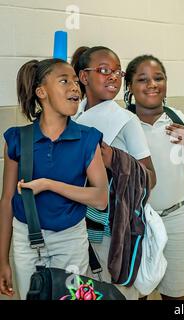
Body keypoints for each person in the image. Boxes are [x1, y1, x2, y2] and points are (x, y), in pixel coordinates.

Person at [0, 59, 108, 299]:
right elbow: (7, 199)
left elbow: (100, 198)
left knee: (71, 297)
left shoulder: (87, 139)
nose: (74, 87)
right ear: (41, 92)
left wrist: (48, 184)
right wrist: (2, 260)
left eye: (75, 81)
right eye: (64, 81)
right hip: (26, 237)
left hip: (70, 239)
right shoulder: (17, 139)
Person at [71, 46, 156, 300]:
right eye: (104, 70)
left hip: (113, 229)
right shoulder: (72, 117)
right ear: (84, 77)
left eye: (117, 72)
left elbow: (150, 177)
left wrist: (116, 160)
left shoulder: (124, 120)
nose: (113, 77)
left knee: (116, 293)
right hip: (77, 227)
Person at [124, 54, 184, 300]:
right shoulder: (123, 123)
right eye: (142, 79)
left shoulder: (178, 118)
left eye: (158, 78)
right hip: (135, 221)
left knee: (176, 293)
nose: (152, 84)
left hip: (176, 217)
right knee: (136, 292)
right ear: (129, 86)